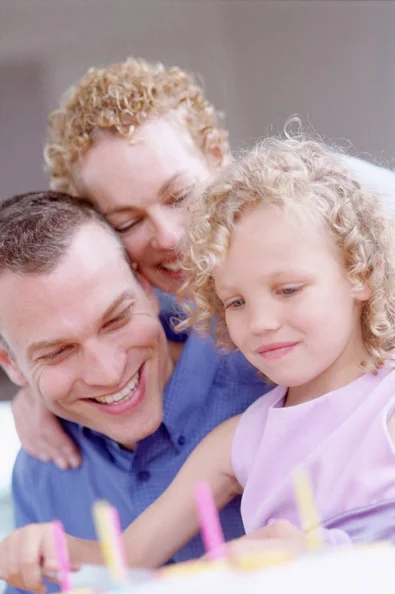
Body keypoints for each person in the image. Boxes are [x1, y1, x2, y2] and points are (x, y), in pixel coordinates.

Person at [3, 135, 395, 592]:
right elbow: (126, 557)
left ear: (360, 274)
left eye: (288, 289)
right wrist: (44, 546)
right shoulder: (238, 441)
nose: (262, 323)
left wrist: (325, 561)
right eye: (235, 301)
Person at [11, 58, 395, 470]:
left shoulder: (331, 212)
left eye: (179, 197)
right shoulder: (157, 304)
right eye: (128, 222)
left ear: (217, 158)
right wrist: (35, 388)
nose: (170, 237)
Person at [0, 191, 270, 594]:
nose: (108, 372)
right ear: (12, 364)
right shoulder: (39, 477)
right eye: (57, 352)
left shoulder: (271, 376)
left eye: (117, 319)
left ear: (144, 284)